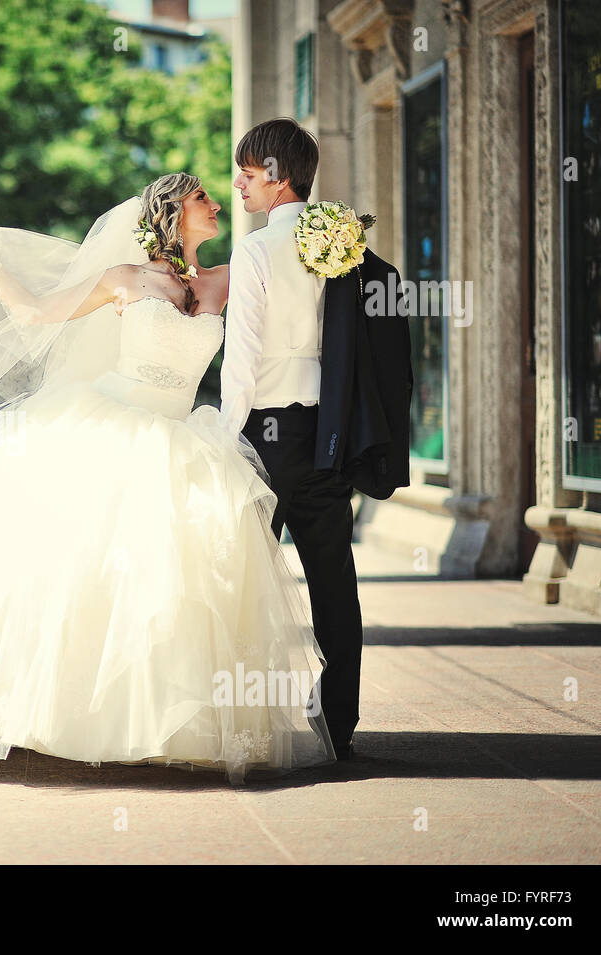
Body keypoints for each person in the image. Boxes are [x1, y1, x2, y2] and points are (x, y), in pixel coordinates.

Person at [0, 173, 335, 784]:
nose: (216, 205)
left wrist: (327, 244)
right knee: (55, 570)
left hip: (182, 436)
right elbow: (33, 312)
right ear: (171, 212)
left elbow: (289, 309)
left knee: (168, 586)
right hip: (107, 424)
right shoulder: (125, 280)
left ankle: (149, 721)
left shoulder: (228, 278)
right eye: (201, 199)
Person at [221, 118, 363, 760]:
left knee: (241, 580)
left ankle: (238, 723)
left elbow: (242, 359)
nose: (240, 186)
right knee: (333, 579)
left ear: (278, 178)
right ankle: (340, 723)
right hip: (325, 433)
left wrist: (227, 437)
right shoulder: (342, 245)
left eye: (248, 175)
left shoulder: (256, 252)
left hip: (264, 435)